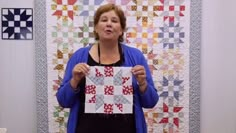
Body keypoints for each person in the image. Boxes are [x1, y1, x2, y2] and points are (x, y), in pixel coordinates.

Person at [56, 3, 159, 133]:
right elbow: (63, 101)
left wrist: (143, 83)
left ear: (121, 29)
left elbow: (151, 102)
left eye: (114, 21)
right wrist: (74, 81)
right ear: (96, 28)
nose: (109, 24)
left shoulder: (136, 57)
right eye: (104, 20)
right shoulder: (79, 57)